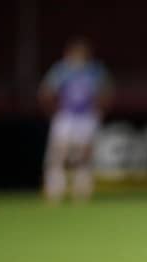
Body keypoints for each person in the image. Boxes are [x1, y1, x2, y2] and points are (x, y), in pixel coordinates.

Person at [39, 38, 112, 203]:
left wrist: (99, 111)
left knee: (84, 155)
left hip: (86, 117)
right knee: (59, 154)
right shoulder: (61, 70)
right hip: (66, 116)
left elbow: (106, 91)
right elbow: (46, 91)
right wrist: (54, 111)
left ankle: (82, 190)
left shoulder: (95, 71)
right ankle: (55, 189)